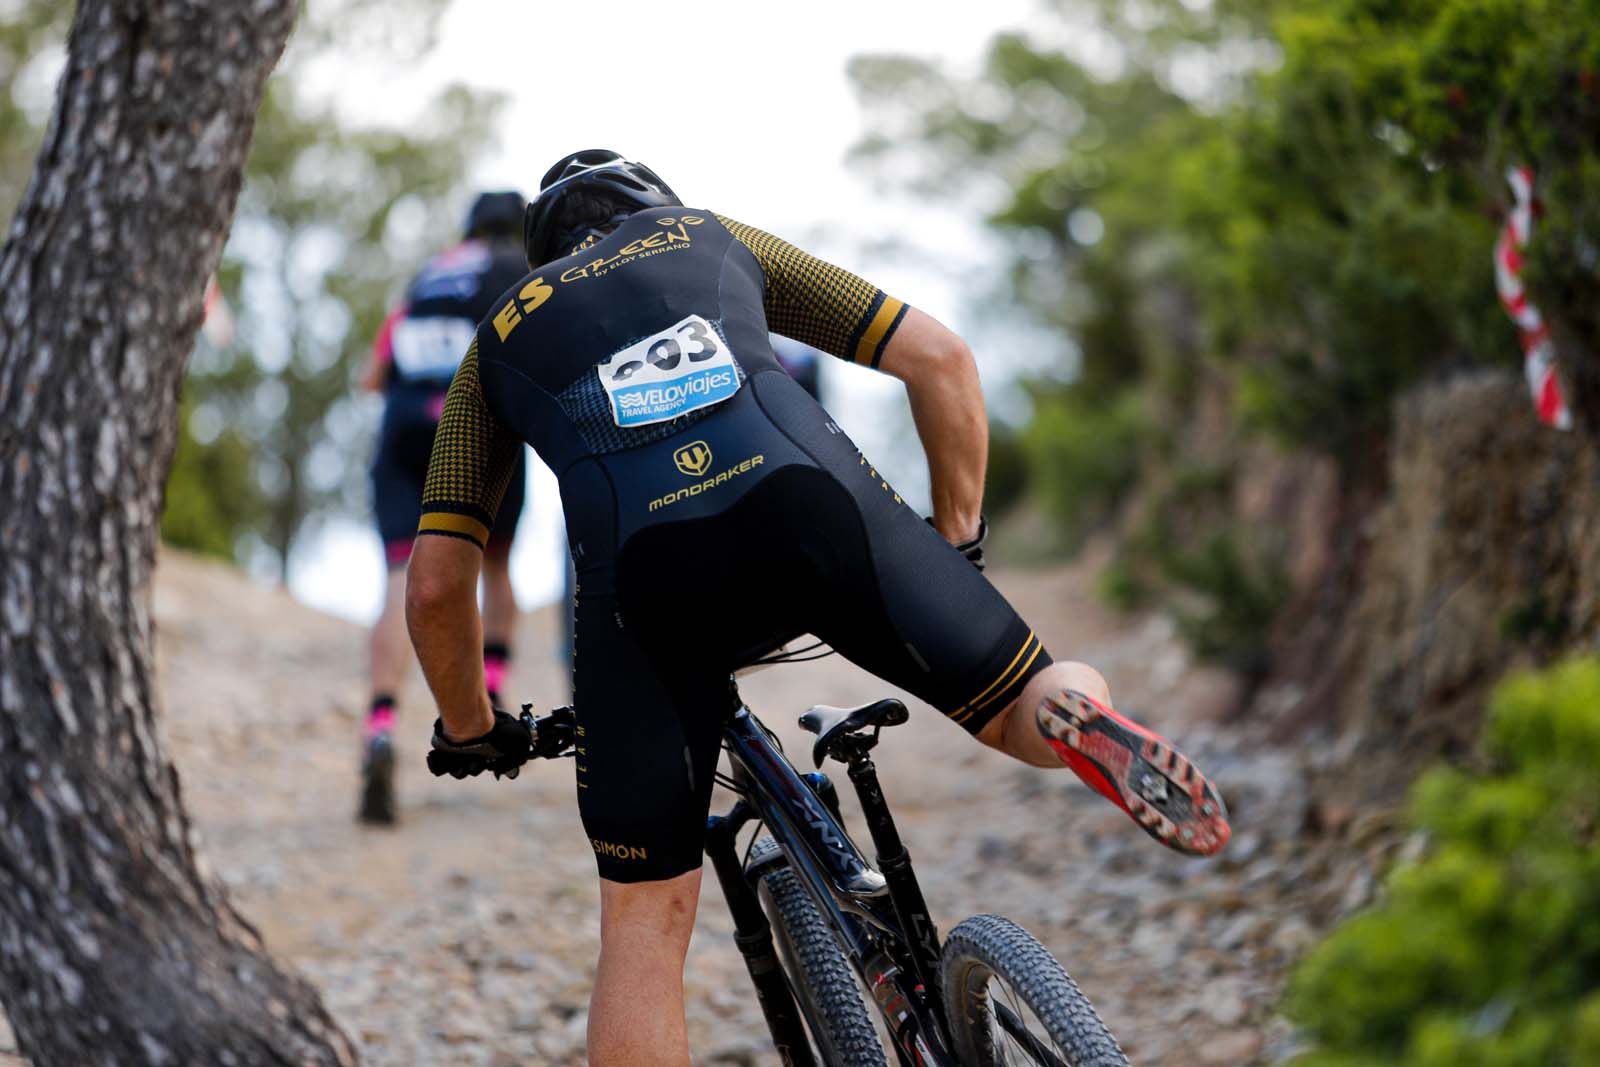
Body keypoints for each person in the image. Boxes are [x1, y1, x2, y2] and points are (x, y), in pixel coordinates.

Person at [405, 150, 1231, 1064]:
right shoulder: (708, 237)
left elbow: (440, 579)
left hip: (648, 582)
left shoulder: (501, 336)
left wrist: (473, 727)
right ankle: (1077, 718)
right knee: (1019, 694)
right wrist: (957, 547)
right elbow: (940, 358)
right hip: (815, 510)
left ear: (545, 256)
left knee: (643, 922)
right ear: (651, 205)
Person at [355, 190, 531, 824]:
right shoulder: (516, 268)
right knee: (497, 562)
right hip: (474, 426)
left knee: (400, 578)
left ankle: (379, 725)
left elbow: (372, 378)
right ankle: (487, 696)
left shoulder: (427, 274)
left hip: (403, 431)